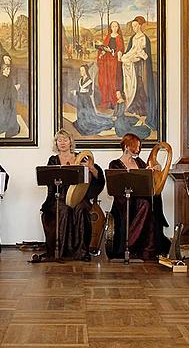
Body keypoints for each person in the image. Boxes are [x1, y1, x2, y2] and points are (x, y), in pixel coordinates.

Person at [34, 129, 105, 262]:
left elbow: (97, 178)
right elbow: (49, 181)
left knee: (82, 209)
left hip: (79, 196)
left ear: (70, 142)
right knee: (64, 210)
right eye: (59, 140)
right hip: (58, 197)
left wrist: (91, 168)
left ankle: (82, 252)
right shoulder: (53, 160)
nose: (62, 143)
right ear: (56, 143)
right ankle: (61, 253)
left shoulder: (82, 157)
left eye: (65, 139)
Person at [107, 133, 170, 260]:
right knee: (145, 204)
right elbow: (116, 188)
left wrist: (154, 170)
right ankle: (129, 245)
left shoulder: (139, 162)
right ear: (126, 146)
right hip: (123, 201)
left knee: (149, 202)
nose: (138, 149)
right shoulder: (114, 164)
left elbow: (147, 178)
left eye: (139, 146)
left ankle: (146, 248)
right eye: (136, 146)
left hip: (140, 198)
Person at [119, 16, 154, 120]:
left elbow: (146, 55)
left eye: (135, 26)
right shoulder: (133, 38)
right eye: (133, 26)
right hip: (132, 64)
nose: (134, 28)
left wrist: (138, 57)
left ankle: (141, 110)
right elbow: (129, 50)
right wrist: (124, 56)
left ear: (139, 26)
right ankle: (132, 108)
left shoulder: (144, 38)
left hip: (140, 66)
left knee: (139, 85)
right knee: (132, 85)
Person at [72, 64, 113, 136]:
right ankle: (81, 121)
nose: (81, 72)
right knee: (81, 114)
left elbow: (90, 92)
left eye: (82, 70)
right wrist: (78, 92)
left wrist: (77, 92)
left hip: (86, 101)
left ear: (86, 71)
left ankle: (87, 123)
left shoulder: (89, 81)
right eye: (80, 70)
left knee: (90, 119)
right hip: (80, 100)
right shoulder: (80, 80)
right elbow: (80, 90)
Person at [96, 21, 124, 109]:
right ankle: (106, 100)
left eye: (116, 26)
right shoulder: (108, 37)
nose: (114, 28)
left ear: (118, 28)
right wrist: (103, 51)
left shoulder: (119, 38)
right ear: (110, 28)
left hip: (114, 62)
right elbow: (104, 47)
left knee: (113, 80)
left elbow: (120, 49)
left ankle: (114, 101)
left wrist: (116, 53)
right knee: (106, 80)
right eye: (113, 26)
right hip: (107, 62)